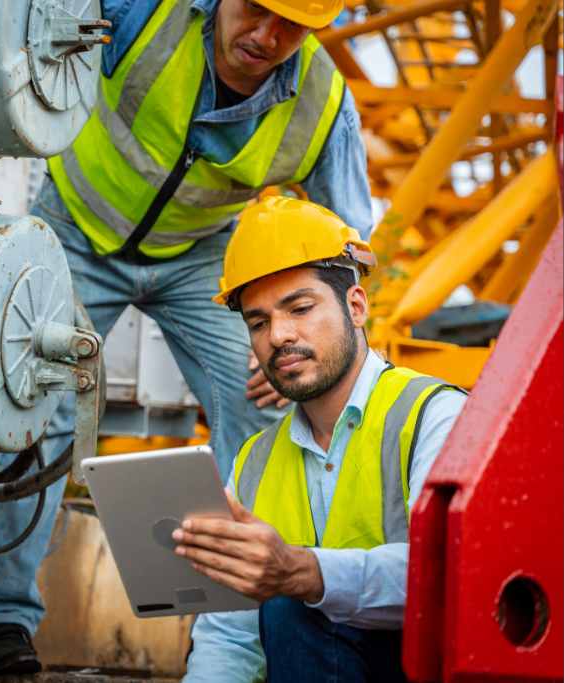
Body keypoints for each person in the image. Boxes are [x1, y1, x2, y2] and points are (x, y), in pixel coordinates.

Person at [0, 0, 373, 672]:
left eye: (292, 24)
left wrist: (300, 339)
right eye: (255, 10)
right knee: (37, 405)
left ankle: (245, 636)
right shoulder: (142, 12)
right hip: (75, 230)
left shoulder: (324, 105)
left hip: (197, 260)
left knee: (265, 412)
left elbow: (346, 243)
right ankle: (2, 618)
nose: (267, 36)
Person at [176, 197, 468, 682]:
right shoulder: (255, 460)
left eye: (300, 308)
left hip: (422, 667)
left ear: (356, 306)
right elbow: (229, 636)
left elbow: (447, 576)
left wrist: (304, 572)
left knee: (291, 606)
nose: (278, 336)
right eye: (259, 322)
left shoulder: (434, 415)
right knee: (282, 612)